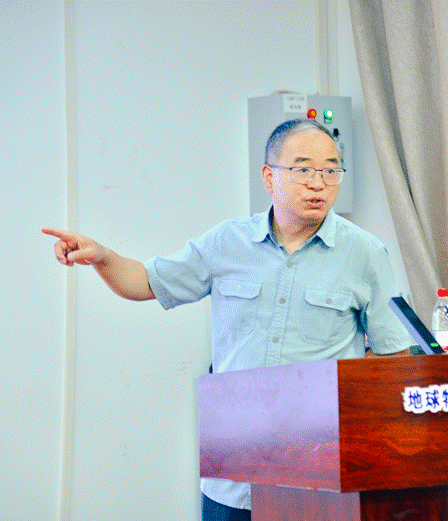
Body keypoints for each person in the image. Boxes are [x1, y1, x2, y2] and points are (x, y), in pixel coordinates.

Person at [43, 119, 413, 520]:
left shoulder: (364, 254)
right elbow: (145, 281)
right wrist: (103, 257)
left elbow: (392, 356)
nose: (318, 183)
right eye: (304, 169)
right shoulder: (227, 242)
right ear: (269, 177)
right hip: (233, 467)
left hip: (317, 470)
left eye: (330, 170)